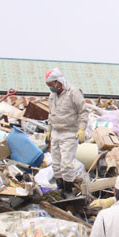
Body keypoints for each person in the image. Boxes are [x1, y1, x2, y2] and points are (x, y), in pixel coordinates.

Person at [44, 68, 88, 197]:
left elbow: (83, 112)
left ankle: (68, 191)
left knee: (66, 164)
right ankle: (60, 189)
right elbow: (51, 114)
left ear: (59, 82)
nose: (51, 88)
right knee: (56, 164)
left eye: (52, 85)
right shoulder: (52, 96)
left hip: (69, 132)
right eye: (48, 86)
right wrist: (48, 130)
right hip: (56, 132)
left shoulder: (73, 92)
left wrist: (82, 129)